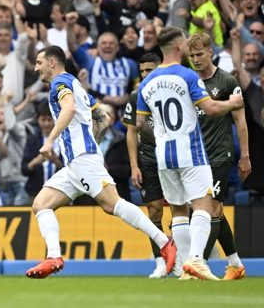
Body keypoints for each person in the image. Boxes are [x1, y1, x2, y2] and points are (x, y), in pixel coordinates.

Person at [26, 45, 176, 279]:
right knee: (41, 205)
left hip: (83, 159)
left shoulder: (59, 84)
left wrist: (50, 141)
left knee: (112, 204)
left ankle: (164, 242)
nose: (36, 68)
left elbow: (68, 109)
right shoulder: (76, 84)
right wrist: (90, 139)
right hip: (76, 163)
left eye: (39, 62)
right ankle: (53, 257)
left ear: (52, 63)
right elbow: (103, 118)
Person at [136, 27, 243, 280]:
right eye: (185, 42)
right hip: (190, 151)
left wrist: (162, 133)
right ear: (177, 46)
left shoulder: (146, 82)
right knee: (203, 205)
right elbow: (211, 107)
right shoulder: (187, 75)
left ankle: (183, 267)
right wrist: (233, 103)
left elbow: (140, 124)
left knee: (179, 211)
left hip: (163, 155)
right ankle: (196, 260)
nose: (188, 46)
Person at [187, 33, 250, 280]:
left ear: (210, 52)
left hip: (219, 155)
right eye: (191, 56)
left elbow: (240, 120)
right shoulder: (189, 82)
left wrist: (244, 155)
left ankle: (197, 264)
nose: (195, 59)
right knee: (216, 211)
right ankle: (235, 264)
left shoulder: (226, 81)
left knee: (211, 208)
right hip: (195, 158)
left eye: (200, 54)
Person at [121, 51, 168, 278]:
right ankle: (160, 262)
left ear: (160, 68)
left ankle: (186, 258)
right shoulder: (135, 95)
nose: (145, 75)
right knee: (154, 211)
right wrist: (134, 166)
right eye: (141, 72)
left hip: (174, 157)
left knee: (184, 210)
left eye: (149, 70)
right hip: (149, 159)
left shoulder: (172, 91)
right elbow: (130, 133)